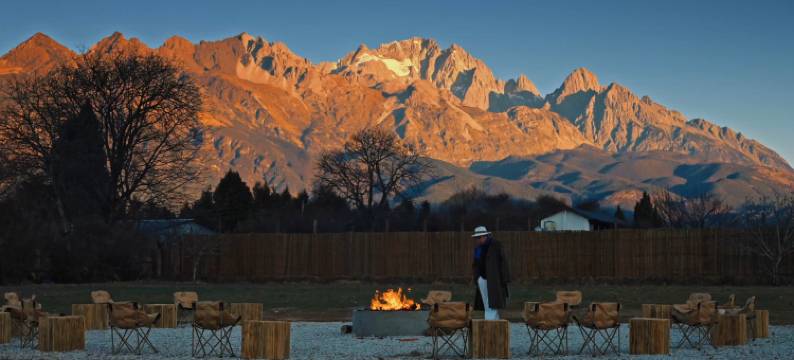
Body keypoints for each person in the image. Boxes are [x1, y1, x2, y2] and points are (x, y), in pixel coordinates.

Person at [471, 225, 510, 320]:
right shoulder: (478, 249)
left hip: (494, 278)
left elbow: (503, 262)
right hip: (482, 278)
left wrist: (504, 278)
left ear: (485, 236)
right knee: (486, 303)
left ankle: (489, 322)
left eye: (479, 237)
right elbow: (475, 263)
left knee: (493, 302)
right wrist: (477, 277)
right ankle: (494, 322)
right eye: (476, 238)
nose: (477, 240)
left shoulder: (496, 245)